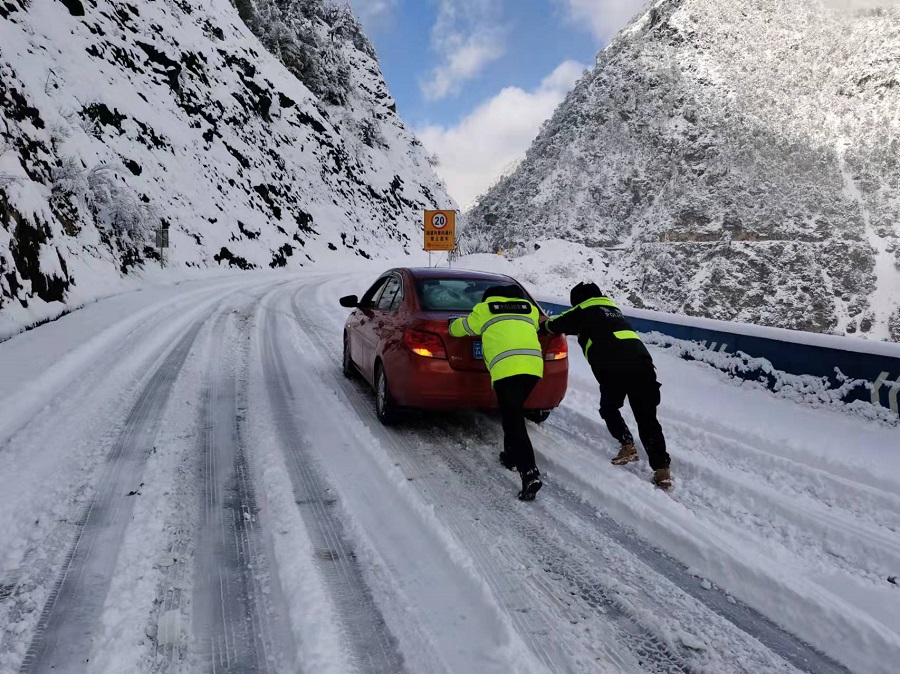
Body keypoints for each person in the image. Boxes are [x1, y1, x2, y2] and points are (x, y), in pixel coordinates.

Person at [539, 282, 672, 490]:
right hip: (643, 365)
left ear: (578, 300)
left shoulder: (584, 310)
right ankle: (662, 471)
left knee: (609, 408)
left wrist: (542, 326)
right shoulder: (612, 310)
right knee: (647, 418)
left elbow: (556, 325)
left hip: (614, 366)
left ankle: (627, 445)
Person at [449, 284, 544, 500]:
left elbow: (464, 327)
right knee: (511, 411)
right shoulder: (530, 309)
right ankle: (510, 456)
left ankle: (529, 472)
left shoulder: (484, 309)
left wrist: (451, 326)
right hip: (533, 368)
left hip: (506, 368)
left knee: (514, 419)